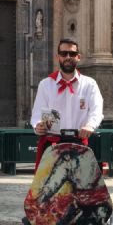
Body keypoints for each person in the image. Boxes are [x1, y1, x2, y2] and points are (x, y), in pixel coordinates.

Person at [31, 38, 104, 170]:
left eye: (72, 54)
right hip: (53, 146)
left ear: (78, 57)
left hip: (81, 144)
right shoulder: (46, 84)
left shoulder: (89, 84)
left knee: (82, 188)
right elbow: (36, 114)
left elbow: (97, 110)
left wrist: (90, 125)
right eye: (64, 54)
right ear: (58, 57)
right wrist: (37, 126)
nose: (68, 57)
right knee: (53, 189)